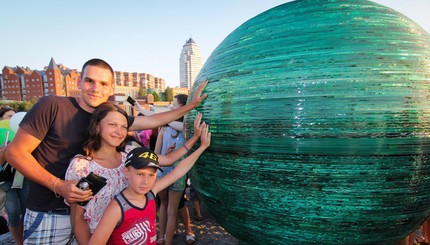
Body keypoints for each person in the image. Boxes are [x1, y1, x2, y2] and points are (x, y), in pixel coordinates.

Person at [4, 58, 208, 244]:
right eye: (89, 81)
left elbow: (155, 120)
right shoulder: (53, 106)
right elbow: (14, 153)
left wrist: (192, 106)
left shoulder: (112, 119)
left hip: (98, 219)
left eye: (103, 84)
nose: (95, 88)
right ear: (78, 82)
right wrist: (58, 185)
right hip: (51, 213)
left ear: (111, 87)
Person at [65, 102, 205, 245]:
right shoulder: (82, 166)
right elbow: (77, 217)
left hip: (132, 235)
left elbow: (169, 160)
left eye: (124, 127)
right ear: (97, 126)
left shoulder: (129, 158)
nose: (119, 132)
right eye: (112, 125)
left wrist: (196, 139)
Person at [87, 124, 211, 245]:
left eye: (151, 175)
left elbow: (179, 171)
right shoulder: (117, 208)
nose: (146, 181)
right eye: (140, 174)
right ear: (126, 172)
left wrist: (202, 147)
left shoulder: (151, 192)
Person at [155, 94, 191, 245]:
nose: (171, 107)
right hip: (177, 175)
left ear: (182, 108)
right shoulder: (187, 131)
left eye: (174, 105)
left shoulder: (163, 128)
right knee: (171, 212)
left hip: (161, 173)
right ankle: (167, 242)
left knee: (163, 206)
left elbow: (156, 153)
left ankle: (161, 237)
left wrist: (165, 155)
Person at [0, 106, 28, 245]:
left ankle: (27, 239)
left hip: (22, 177)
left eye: (14, 116)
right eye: (9, 117)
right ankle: (19, 243)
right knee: (13, 212)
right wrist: (5, 150)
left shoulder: (23, 135)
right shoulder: (2, 135)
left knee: (26, 210)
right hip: (4, 181)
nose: (13, 120)